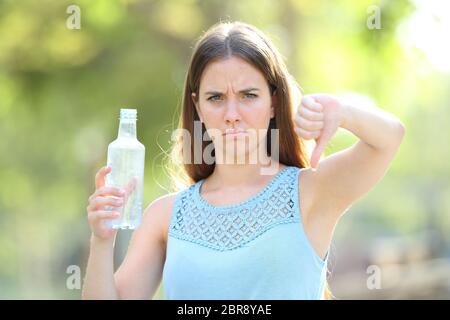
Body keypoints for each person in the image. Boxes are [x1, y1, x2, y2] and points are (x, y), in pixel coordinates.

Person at [82, 21, 405, 300]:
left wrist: (343, 112)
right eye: (216, 98)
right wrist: (102, 240)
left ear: (274, 102)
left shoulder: (311, 192)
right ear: (197, 107)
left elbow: (389, 138)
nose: (232, 115)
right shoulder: (164, 216)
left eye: (249, 95)